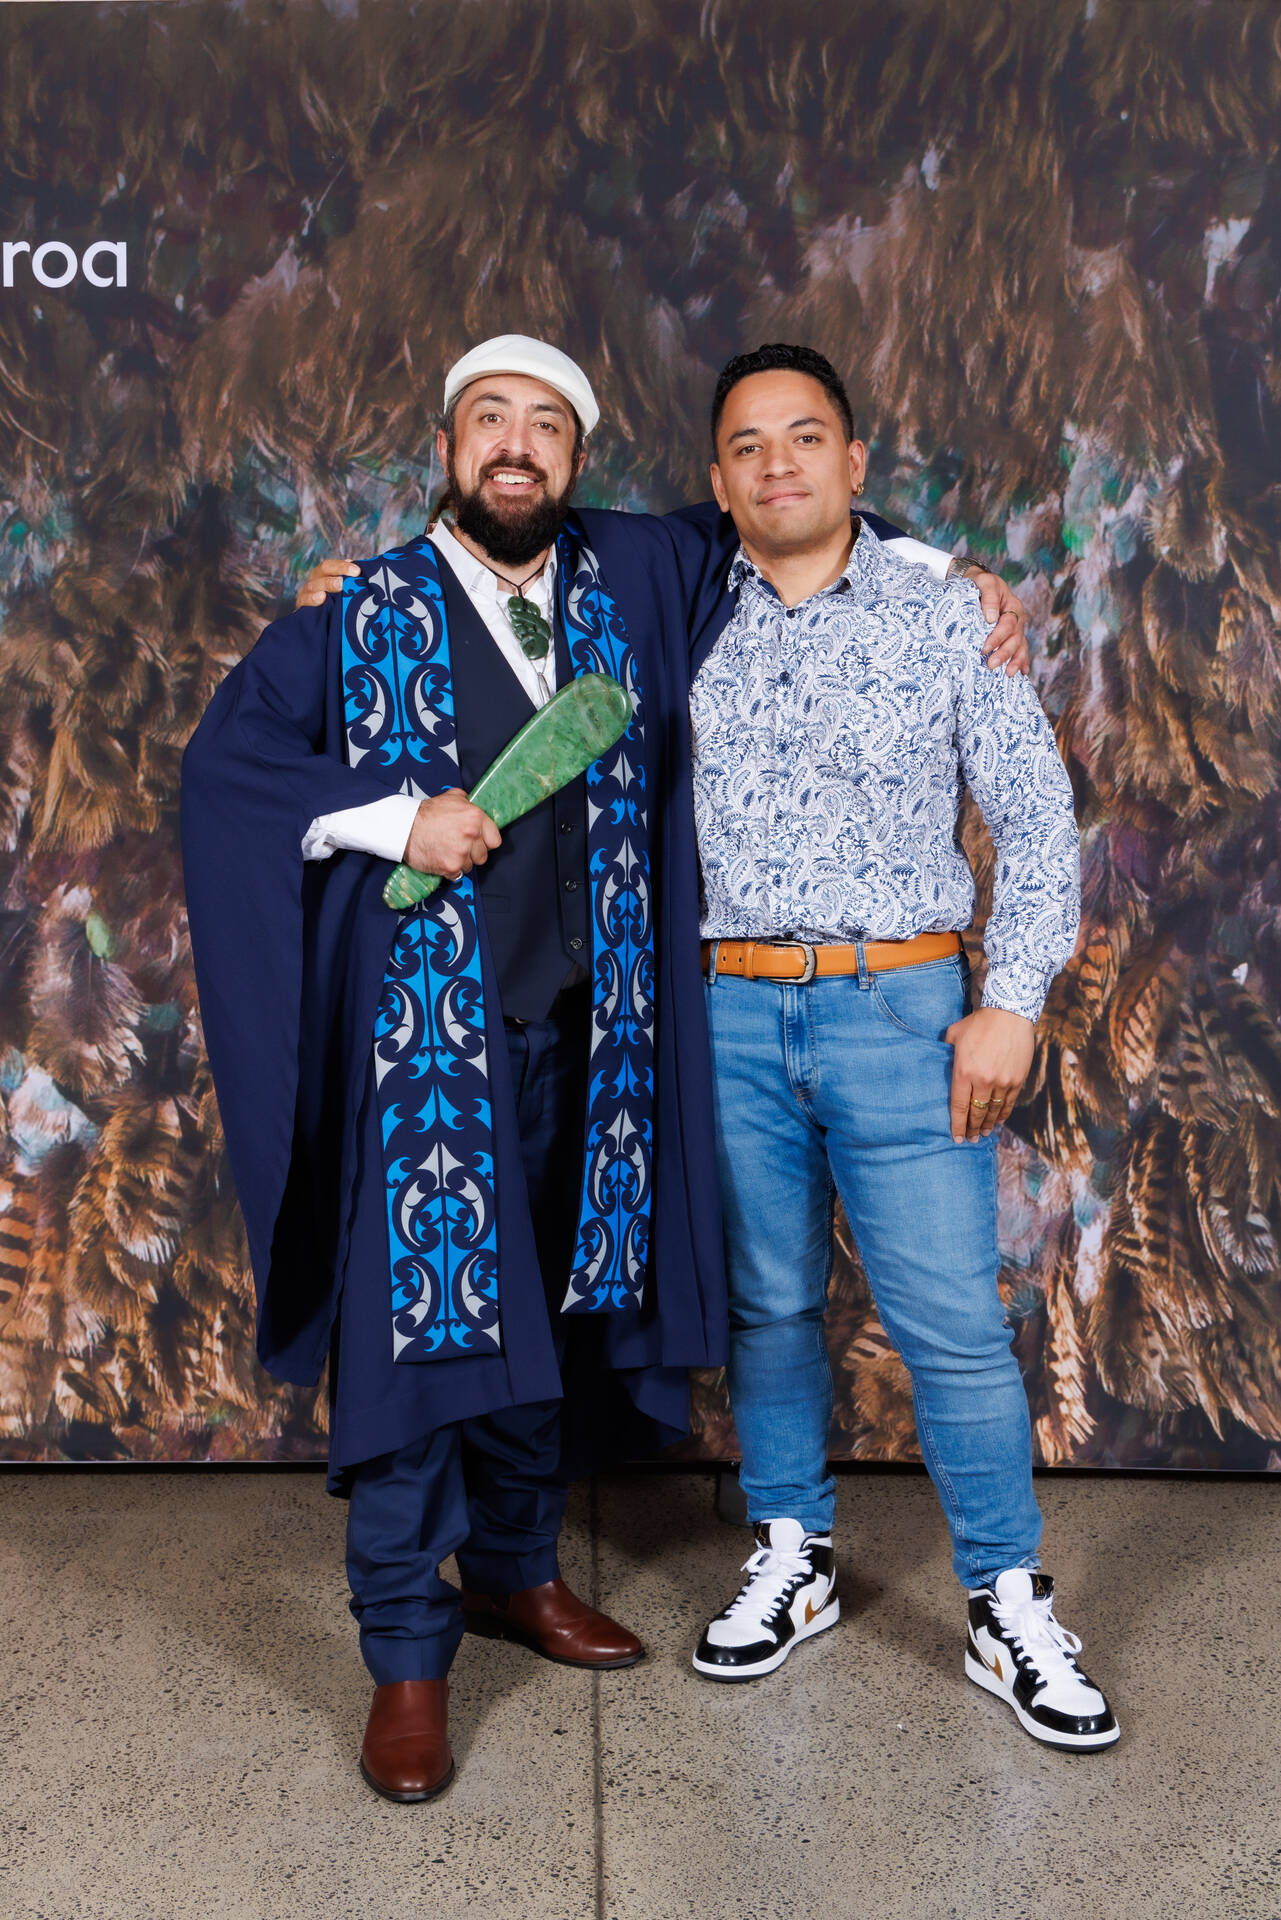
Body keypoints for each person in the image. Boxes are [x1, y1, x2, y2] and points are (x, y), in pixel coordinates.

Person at [267, 337, 1032, 1802]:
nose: (515, 446)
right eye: (488, 420)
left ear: (577, 457)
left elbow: (793, 514)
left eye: (544, 426)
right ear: (448, 447)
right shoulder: (363, 605)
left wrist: (954, 573)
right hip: (430, 1050)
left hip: (598, 1040)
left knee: (546, 1320)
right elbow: (239, 771)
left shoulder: (631, 572)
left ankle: (513, 1570)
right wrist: (390, 822)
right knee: (422, 1333)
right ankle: (408, 1652)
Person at [681, 343, 1117, 1753]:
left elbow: (1036, 822)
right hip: (729, 1010)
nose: (778, 464)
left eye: (806, 436)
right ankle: (791, 1552)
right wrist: (348, 595)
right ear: (716, 481)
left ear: (854, 461)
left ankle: (1004, 1603)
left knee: (950, 1324)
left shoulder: (943, 615)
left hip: (903, 1008)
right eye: (748, 445)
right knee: (768, 1307)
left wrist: (1012, 1000)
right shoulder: (681, 610)